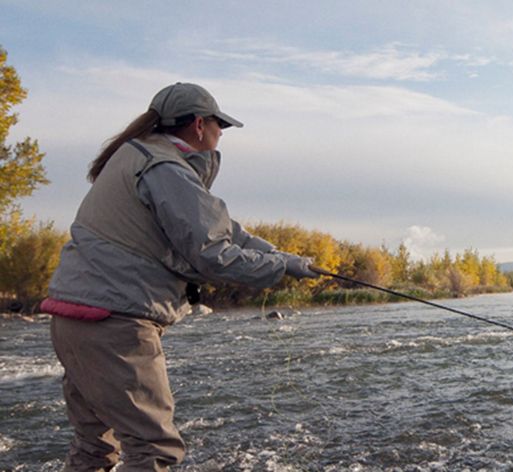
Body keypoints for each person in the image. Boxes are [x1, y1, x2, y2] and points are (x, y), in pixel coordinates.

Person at [43, 82, 319, 471]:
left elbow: (224, 229)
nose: (223, 133)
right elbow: (212, 255)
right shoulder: (165, 168)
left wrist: (283, 256)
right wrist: (279, 269)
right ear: (199, 124)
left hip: (72, 320)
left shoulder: (135, 155)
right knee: (154, 449)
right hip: (115, 325)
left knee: (94, 447)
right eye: (220, 125)